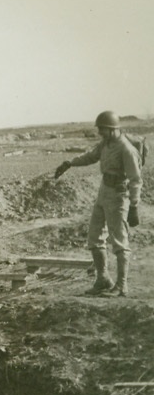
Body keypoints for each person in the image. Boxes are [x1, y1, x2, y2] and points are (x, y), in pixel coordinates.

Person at [54, 110, 143, 296]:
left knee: (119, 241)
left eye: (102, 129)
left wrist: (134, 205)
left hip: (119, 196)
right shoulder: (106, 143)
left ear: (112, 129)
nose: (99, 133)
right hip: (104, 192)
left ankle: (121, 286)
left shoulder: (126, 149)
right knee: (94, 237)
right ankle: (103, 280)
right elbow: (91, 156)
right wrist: (70, 163)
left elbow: (135, 179)